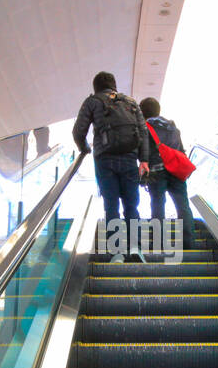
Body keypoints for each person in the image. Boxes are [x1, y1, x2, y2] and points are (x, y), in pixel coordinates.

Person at [73, 72, 150, 262]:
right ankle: (135, 248)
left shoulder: (92, 102)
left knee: (112, 206)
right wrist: (144, 160)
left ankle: (117, 252)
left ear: (95, 87)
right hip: (130, 158)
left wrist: (85, 148)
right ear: (114, 85)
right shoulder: (131, 102)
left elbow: (78, 131)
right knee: (132, 205)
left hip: (105, 160)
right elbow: (143, 132)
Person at [138, 97, 196, 250]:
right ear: (158, 110)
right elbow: (181, 150)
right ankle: (188, 242)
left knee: (158, 204)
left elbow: (142, 152)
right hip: (176, 171)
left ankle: (158, 242)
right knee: (182, 204)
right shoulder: (173, 128)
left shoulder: (145, 127)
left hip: (157, 172)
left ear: (142, 112)